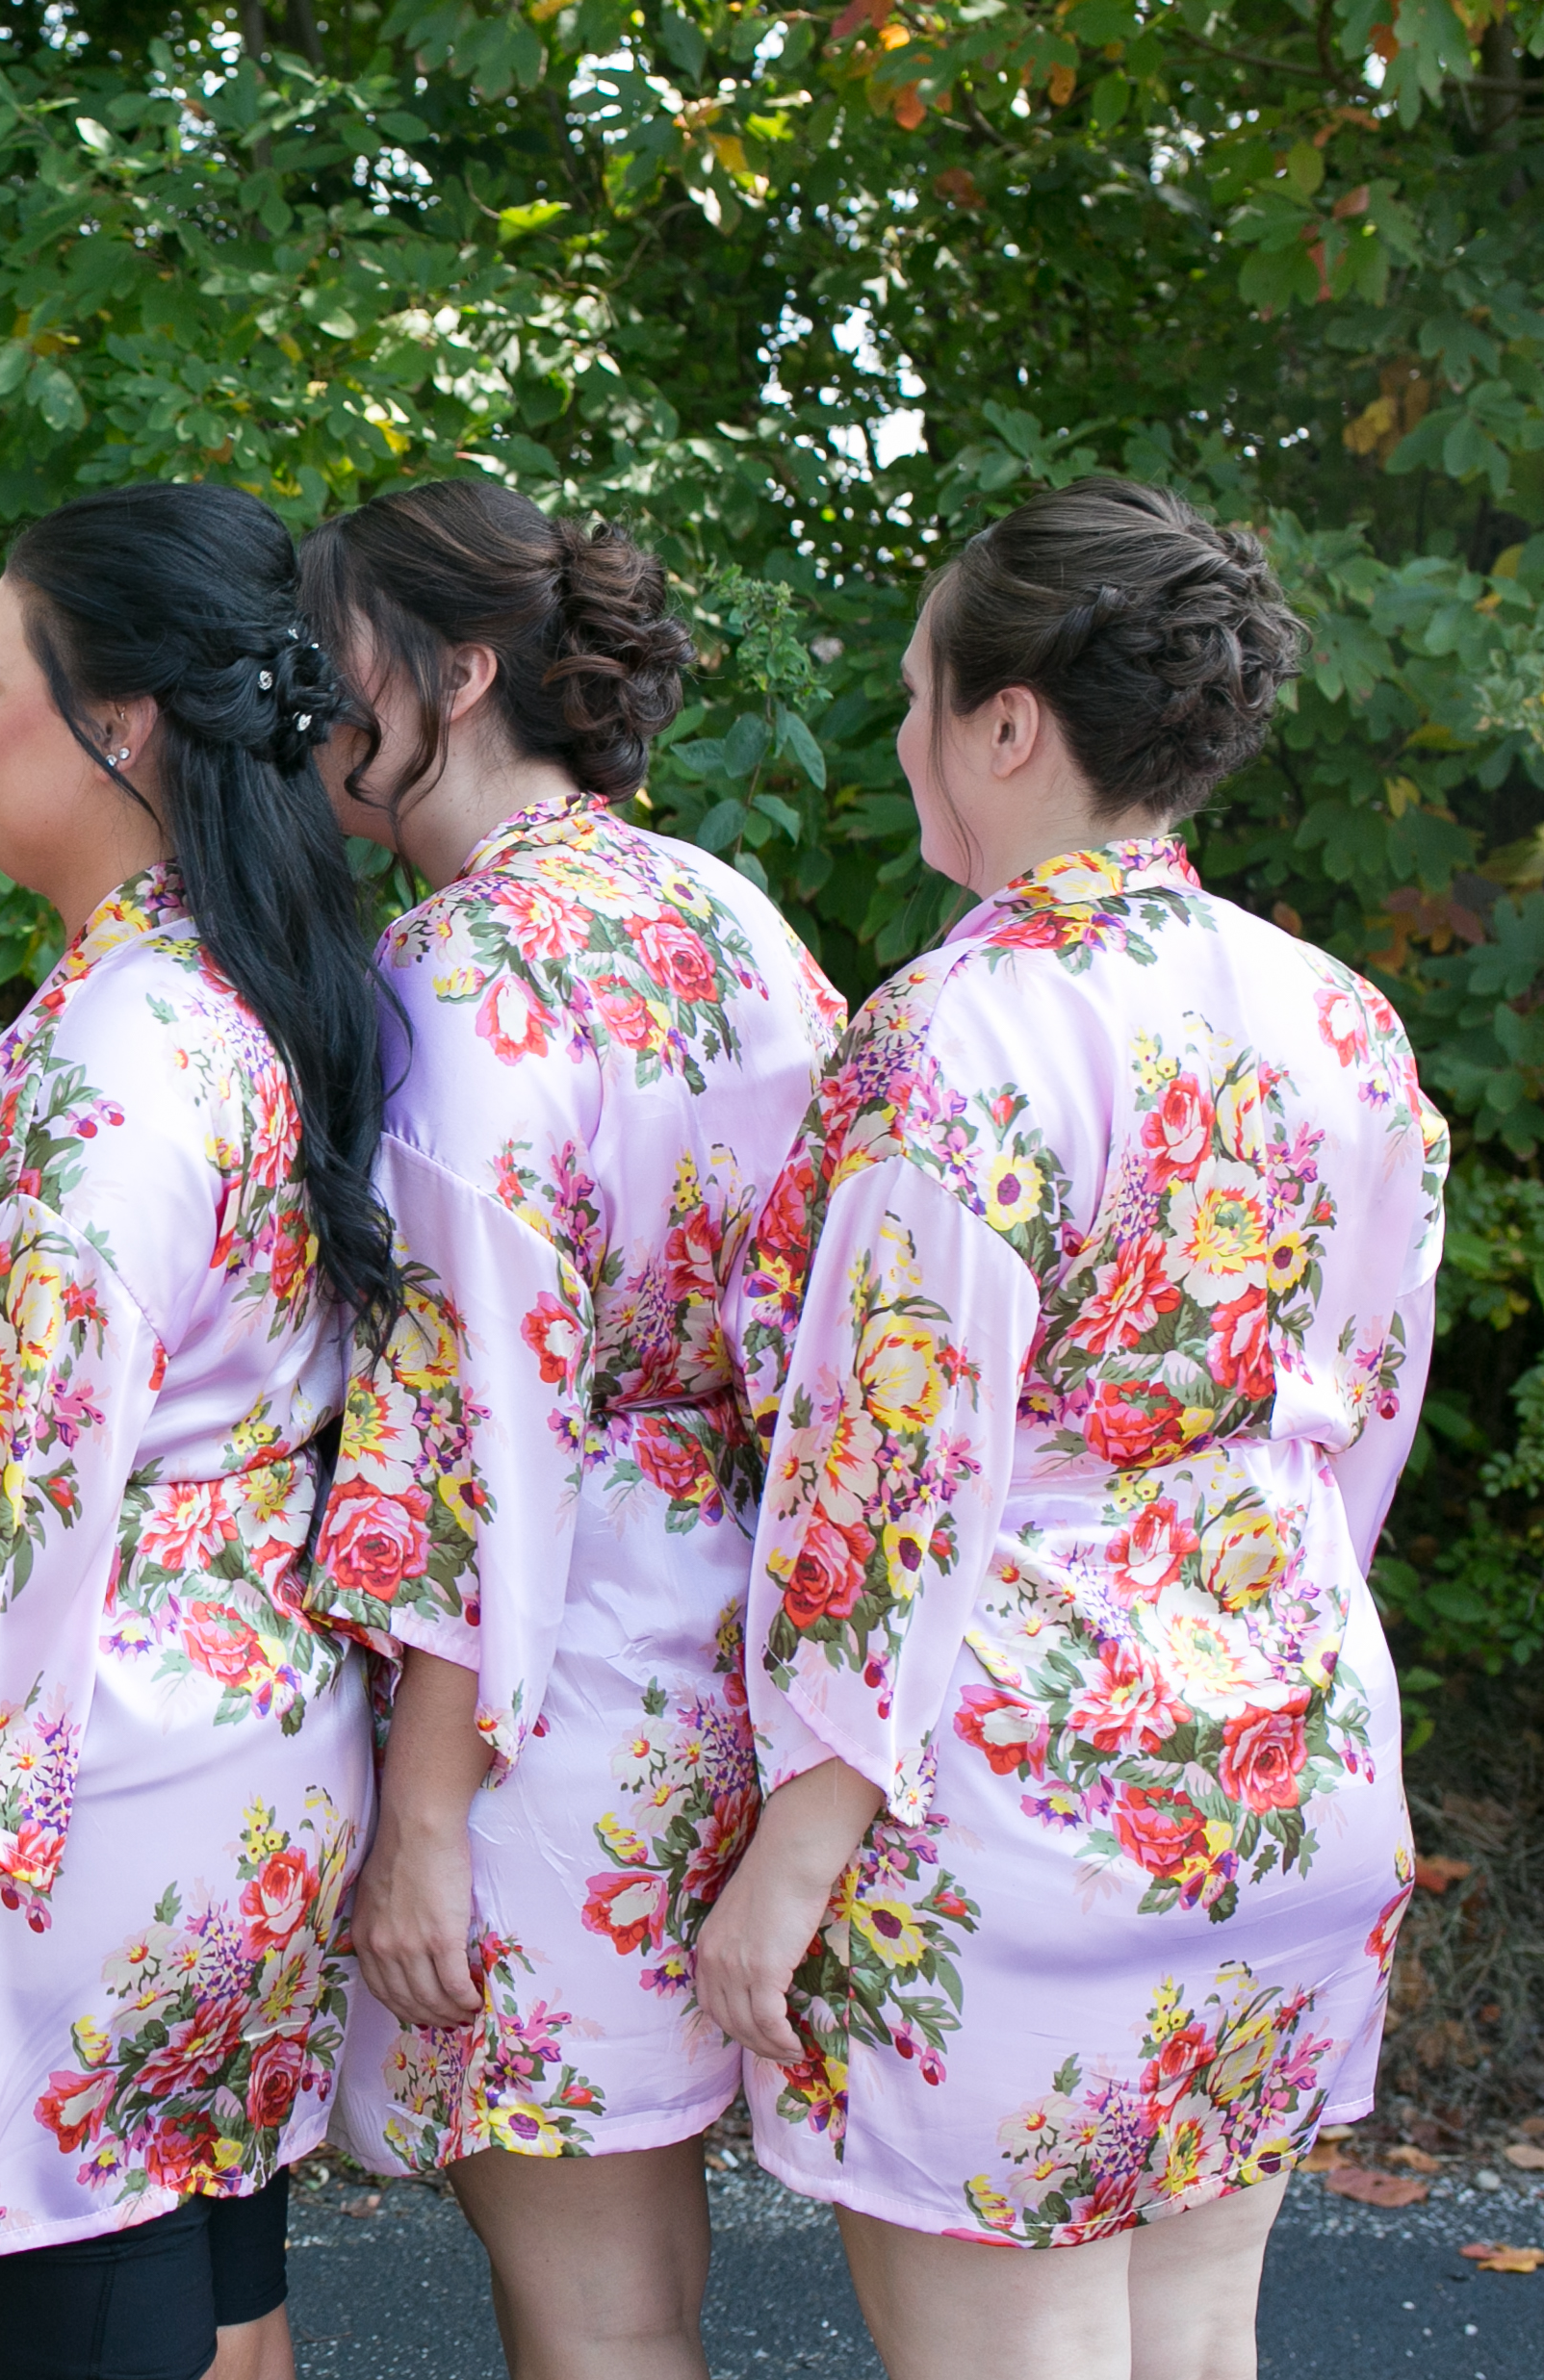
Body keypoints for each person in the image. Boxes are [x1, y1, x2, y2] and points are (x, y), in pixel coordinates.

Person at [693, 478, 1445, 2380]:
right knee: (1195, 2344)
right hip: (1284, 1750)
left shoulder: (962, 1032)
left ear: (1007, 720)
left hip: (1020, 1801)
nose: (901, 739)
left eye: (916, 695)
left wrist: (790, 1860)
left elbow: (886, 1473)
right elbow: (1357, 1418)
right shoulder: (1339, 1019)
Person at [0, 482, 401, 2380]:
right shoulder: (232, 981)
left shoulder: (129, 1048)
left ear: (118, 722)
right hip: (231, 1729)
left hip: (85, 1771)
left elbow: (10, 1497)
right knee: (215, 2305)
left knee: (97, 2312)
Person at [295, 481, 844, 2379]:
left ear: (453, 670)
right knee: (640, 2280)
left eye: (334, 642)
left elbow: (465, 1435)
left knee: (591, 2307)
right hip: (726, 1643)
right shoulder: (728, 917)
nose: (305, 684)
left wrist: (424, 1815)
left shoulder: (450, 981)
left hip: (540, 1691)